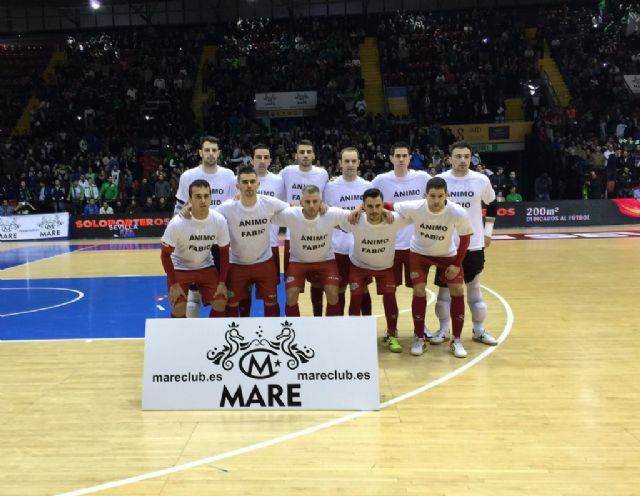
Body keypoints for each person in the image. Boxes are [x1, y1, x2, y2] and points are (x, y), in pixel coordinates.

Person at [391, 177, 474, 357]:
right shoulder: (415, 206)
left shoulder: (457, 212)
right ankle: (420, 338)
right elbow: (389, 205)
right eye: (432, 196)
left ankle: (456, 340)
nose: (436, 201)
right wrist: (360, 208)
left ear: (447, 195)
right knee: (419, 290)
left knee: (458, 289)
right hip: (419, 254)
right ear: (425, 195)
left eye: (440, 196)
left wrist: (456, 264)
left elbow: (466, 238)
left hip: (446, 255)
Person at [431, 140, 498, 349]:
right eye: (458, 156)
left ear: (471, 158)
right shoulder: (440, 180)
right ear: (449, 158)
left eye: (466, 157)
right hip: (445, 246)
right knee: (444, 293)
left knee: (474, 290)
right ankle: (443, 329)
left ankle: (479, 329)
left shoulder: (480, 180)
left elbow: (493, 203)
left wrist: (488, 232)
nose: (462, 160)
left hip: (474, 244)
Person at [371, 142, 432, 337]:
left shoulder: (422, 177)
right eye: (397, 156)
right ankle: (392, 329)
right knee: (390, 291)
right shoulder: (381, 180)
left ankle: (421, 329)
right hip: (390, 245)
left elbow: (441, 190)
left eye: (404, 156)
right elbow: (366, 198)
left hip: (416, 246)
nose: (401, 159)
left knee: (419, 289)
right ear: (390, 158)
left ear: (409, 158)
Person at [174, 136, 236, 317]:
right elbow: (179, 207)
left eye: (214, 150)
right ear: (200, 152)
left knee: (221, 291)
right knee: (194, 293)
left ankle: (216, 333)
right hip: (194, 240)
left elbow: (233, 206)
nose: (210, 154)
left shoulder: (229, 175)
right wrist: (179, 221)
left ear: (219, 153)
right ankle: (194, 334)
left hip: (219, 241)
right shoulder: (188, 176)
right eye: (207, 150)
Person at [216, 166, 289, 318]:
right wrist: (188, 212)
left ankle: (272, 334)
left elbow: (293, 210)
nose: (249, 185)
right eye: (245, 182)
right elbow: (207, 219)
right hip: (237, 264)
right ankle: (235, 337)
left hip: (264, 262)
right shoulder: (227, 208)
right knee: (232, 303)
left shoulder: (269, 203)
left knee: (271, 303)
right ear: (238, 186)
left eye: (252, 181)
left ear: (258, 184)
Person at [342, 188, 409, 352]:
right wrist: (356, 210)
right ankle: (355, 335)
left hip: (384, 268)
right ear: (363, 206)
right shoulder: (355, 220)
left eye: (378, 206)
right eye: (369, 206)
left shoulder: (394, 220)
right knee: (356, 298)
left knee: (390, 298)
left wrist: (388, 209)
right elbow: (331, 217)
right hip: (359, 266)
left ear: (383, 205)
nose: (374, 210)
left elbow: (415, 214)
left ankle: (392, 335)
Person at [271, 185, 346, 317]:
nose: (311, 205)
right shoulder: (291, 214)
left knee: (333, 293)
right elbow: (267, 212)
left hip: (326, 260)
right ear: (300, 203)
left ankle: (332, 330)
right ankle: (296, 330)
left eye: (315, 201)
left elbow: (354, 216)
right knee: (291, 295)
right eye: (307, 202)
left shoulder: (331, 214)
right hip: (298, 261)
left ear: (321, 202)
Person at [160, 179, 230, 318]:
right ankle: (182, 337)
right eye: (198, 196)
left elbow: (224, 252)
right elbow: (165, 255)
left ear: (211, 197)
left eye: (206, 196)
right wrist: (173, 284)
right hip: (180, 267)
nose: (203, 200)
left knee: (221, 301)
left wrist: (222, 282)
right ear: (190, 199)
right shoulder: (177, 223)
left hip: (205, 266)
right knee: (178, 307)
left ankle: (211, 335)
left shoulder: (219, 220)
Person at [280, 140, 329, 316]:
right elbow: (274, 195)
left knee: (317, 283)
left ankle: (317, 318)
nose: (306, 155)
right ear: (296, 156)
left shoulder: (322, 174)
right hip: (292, 236)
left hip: (316, 232)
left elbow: (327, 198)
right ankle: (295, 326)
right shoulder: (286, 173)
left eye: (309, 152)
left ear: (314, 155)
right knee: (292, 288)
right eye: (302, 152)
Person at [322, 147, 372, 315]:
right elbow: (326, 215)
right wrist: (344, 225)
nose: (350, 164)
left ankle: (364, 328)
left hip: (361, 247)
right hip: (338, 248)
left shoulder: (368, 186)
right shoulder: (330, 187)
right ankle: (338, 329)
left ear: (359, 163)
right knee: (339, 289)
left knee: (362, 289)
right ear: (340, 164)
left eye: (353, 161)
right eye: (346, 161)